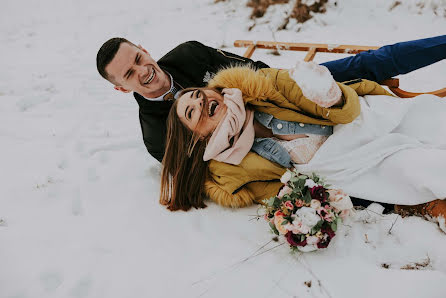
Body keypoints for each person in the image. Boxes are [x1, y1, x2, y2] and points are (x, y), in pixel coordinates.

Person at [159, 64, 446, 232]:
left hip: (363, 121)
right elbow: (276, 193)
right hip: (350, 166)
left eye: (197, 96)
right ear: (196, 137)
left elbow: (345, 113)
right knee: (416, 168)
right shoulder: (228, 169)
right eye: (192, 113)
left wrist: (331, 97)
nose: (199, 103)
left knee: (433, 122)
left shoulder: (265, 84)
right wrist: (302, 206)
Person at [96, 36, 446, 162]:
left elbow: (254, 69)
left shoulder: (188, 55)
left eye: (139, 59)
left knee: (367, 63)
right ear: (121, 88)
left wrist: (296, 88)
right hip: (275, 145)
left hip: (280, 94)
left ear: (144, 49)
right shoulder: (156, 135)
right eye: (128, 74)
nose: (143, 71)